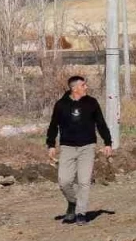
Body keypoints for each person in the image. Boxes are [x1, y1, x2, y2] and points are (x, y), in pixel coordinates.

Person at [45, 76, 113, 225]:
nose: (86, 87)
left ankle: (81, 213)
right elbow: (53, 126)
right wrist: (51, 145)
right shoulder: (61, 105)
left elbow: (101, 123)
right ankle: (73, 202)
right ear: (74, 88)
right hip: (67, 147)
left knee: (84, 181)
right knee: (64, 181)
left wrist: (108, 142)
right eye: (83, 85)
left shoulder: (92, 103)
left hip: (87, 147)